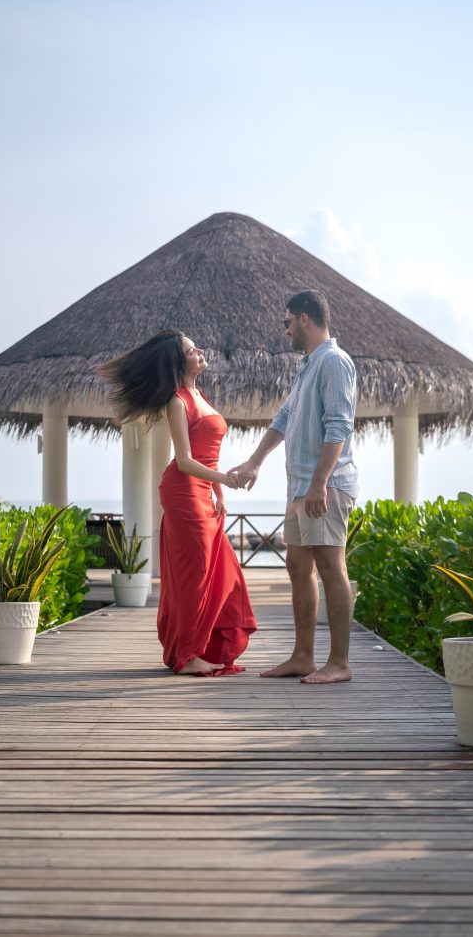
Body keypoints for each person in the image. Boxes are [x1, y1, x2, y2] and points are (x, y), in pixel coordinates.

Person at [98, 330, 257, 676]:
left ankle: (204, 646)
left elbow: (209, 454)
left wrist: (220, 494)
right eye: (190, 350)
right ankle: (187, 654)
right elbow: (184, 461)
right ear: (177, 361)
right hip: (184, 492)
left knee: (219, 570)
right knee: (195, 575)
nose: (200, 350)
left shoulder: (201, 395)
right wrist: (223, 480)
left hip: (204, 491)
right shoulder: (177, 402)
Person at [228, 290, 358, 685]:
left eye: (286, 322)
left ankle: (339, 663)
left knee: (330, 566)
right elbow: (285, 418)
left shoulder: (334, 361)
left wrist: (320, 483)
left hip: (325, 485)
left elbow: (339, 426)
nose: (284, 330)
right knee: (298, 566)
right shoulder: (307, 366)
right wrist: (255, 461)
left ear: (304, 318)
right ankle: (303, 657)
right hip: (300, 487)